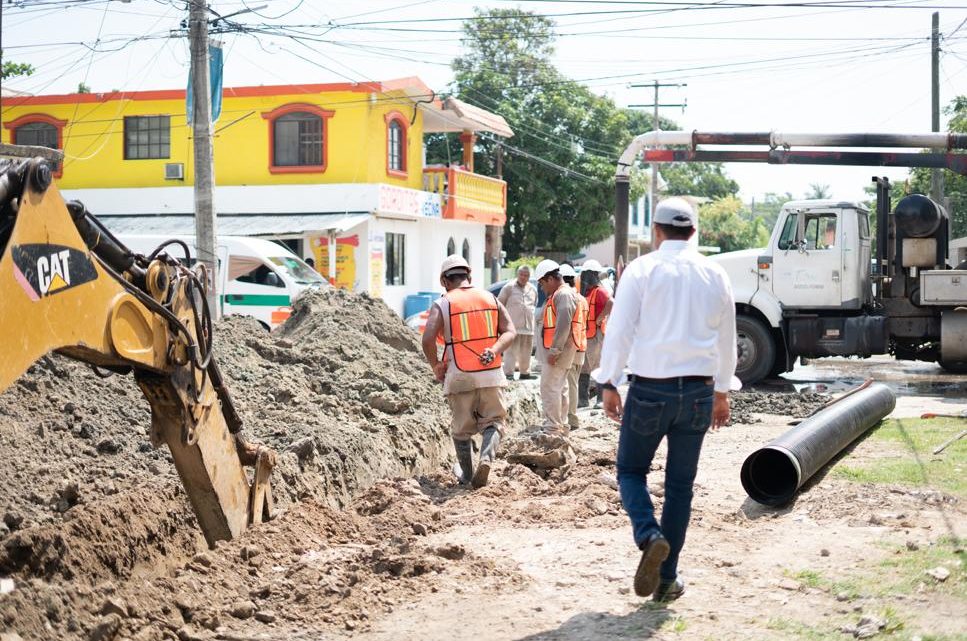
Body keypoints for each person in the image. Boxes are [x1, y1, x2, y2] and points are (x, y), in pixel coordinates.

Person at [593, 197, 736, 602]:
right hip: (698, 393)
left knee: (631, 472)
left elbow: (619, 331)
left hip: (650, 389)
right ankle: (667, 579)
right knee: (679, 488)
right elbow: (727, 340)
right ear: (694, 232)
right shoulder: (715, 272)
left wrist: (608, 382)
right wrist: (722, 392)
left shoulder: (642, 270)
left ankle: (648, 534)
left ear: (657, 232)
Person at [422, 255, 517, 488]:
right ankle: (486, 458)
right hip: (491, 371)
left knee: (461, 429)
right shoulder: (490, 298)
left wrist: (436, 365)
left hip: (459, 374)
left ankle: (466, 474)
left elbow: (427, 338)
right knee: (494, 421)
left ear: (445, 280)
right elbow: (510, 331)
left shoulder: (443, 303)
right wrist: (494, 350)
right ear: (469, 276)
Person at [534, 259, 577, 436]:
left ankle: (552, 428)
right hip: (561, 352)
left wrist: (554, 350)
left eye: (543, 284)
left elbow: (564, 324)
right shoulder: (561, 294)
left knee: (550, 388)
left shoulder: (563, 295)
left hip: (558, 352)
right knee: (560, 388)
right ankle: (561, 425)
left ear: (550, 279)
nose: (543, 289)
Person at [579, 259, 613, 409]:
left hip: (597, 335)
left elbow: (611, 302)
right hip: (587, 335)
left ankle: (600, 400)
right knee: (584, 367)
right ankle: (583, 400)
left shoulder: (599, 291)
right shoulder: (588, 292)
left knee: (599, 367)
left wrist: (600, 318)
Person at [559, 264, 588, 430]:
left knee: (568, 384)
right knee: (573, 383)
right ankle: (572, 416)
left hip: (571, 346)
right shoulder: (582, 298)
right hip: (581, 345)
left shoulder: (567, 297)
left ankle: (571, 418)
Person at [498, 265, 538, 381]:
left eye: (526, 275)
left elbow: (534, 305)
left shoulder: (532, 289)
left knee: (526, 351)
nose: (523, 277)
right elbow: (500, 305)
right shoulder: (508, 288)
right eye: (521, 274)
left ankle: (525, 373)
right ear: (517, 274)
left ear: (529, 277)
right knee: (510, 351)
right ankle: (508, 373)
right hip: (512, 327)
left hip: (528, 327)